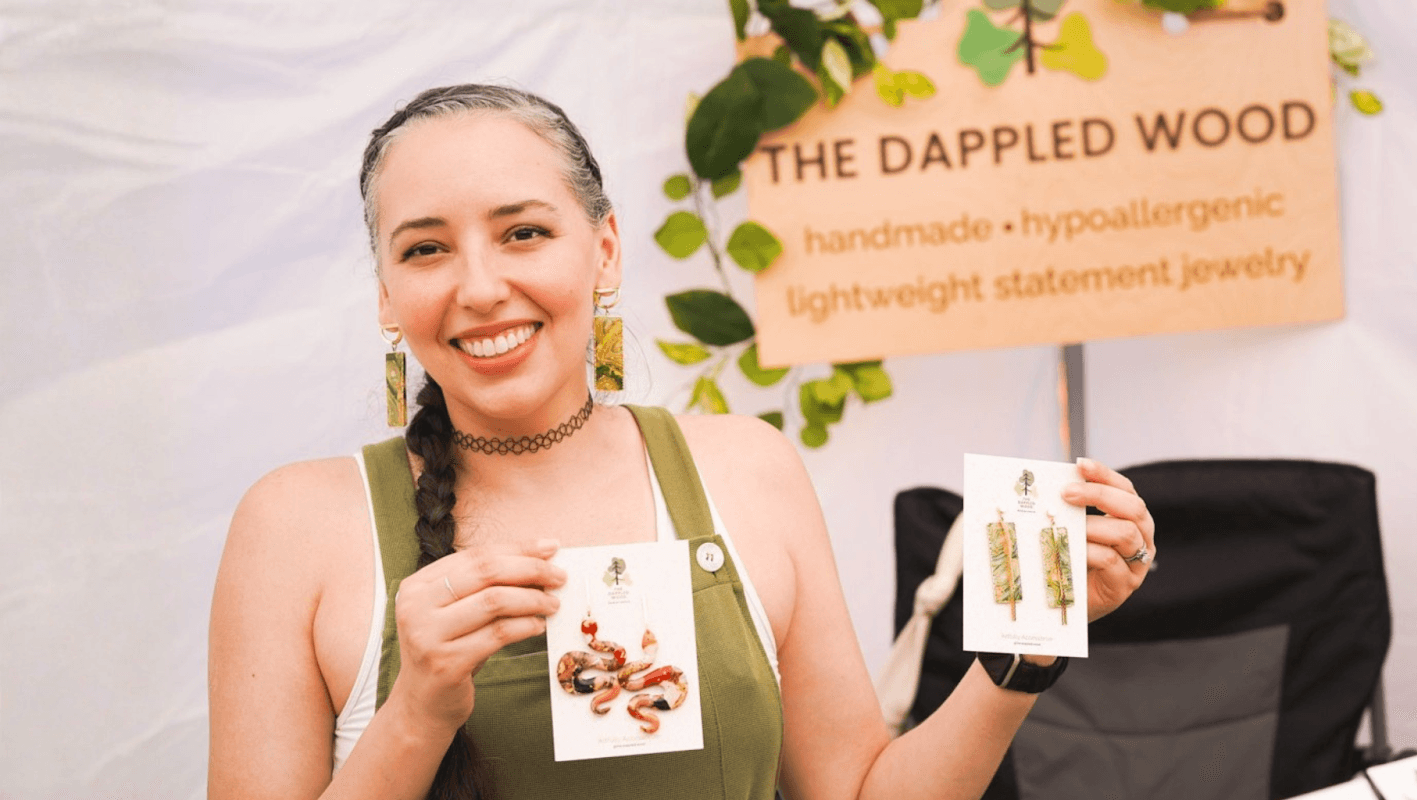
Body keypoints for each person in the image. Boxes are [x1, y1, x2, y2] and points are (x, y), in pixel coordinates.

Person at [207, 84, 1156, 800]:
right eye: (424, 249)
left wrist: (1027, 646)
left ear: (604, 249)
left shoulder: (746, 468)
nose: (481, 286)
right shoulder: (294, 526)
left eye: (524, 232)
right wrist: (415, 711)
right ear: (384, 294)